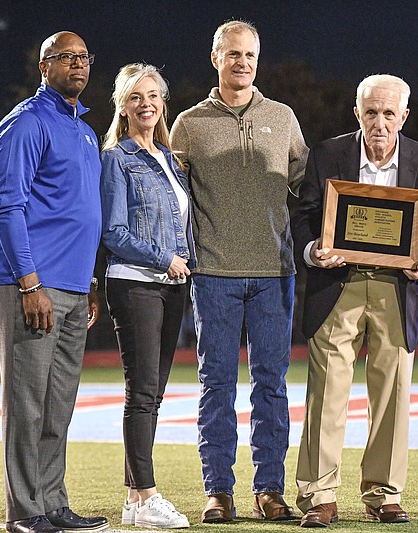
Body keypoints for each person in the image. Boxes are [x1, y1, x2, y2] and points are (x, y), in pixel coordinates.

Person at [293, 74, 418, 527]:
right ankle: (319, 495)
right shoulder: (327, 154)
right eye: (370, 112)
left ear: (404, 115)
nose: (379, 123)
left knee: (393, 393)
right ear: (356, 113)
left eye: (388, 113)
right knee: (326, 393)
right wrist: (311, 250)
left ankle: (384, 493)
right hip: (336, 283)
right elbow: (303, 216)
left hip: (397, 288)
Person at [169, 19, 308, 524]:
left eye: (249, 54)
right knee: (217, 385)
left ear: (257, 59)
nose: (242, 63)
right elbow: (171, 201)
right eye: (233, 54)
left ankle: (269, 489)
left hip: (274, 273)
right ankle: (218, 491)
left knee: (272, 385)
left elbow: (309, 191)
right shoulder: (187, 124)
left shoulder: (284, 118)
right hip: (215, 275)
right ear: (215, 59)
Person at [0, 31, 109, 533]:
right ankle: (25, 510)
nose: (78, 65)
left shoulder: (82, 128)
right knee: (27, 402)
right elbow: (8, 207)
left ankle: (53, 502)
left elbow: (82, 212)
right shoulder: (25, 123)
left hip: (74, 286)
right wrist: (29, 282)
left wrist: (91, 282)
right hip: (31, 285)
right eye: (66, 57)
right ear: (44, 67)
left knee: (58, 404)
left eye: (84, 57)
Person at [100, 63, 193, 529]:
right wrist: (164, 258)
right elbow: (114, 231)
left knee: (152, 394)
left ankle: (135, 502)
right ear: (123, 105)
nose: (147, 104)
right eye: (136, 96)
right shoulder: (117, 159)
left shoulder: (170, 158)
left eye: (154, 95)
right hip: (136, 282)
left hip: (171, 285)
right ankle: (147, 494)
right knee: (141, 392)